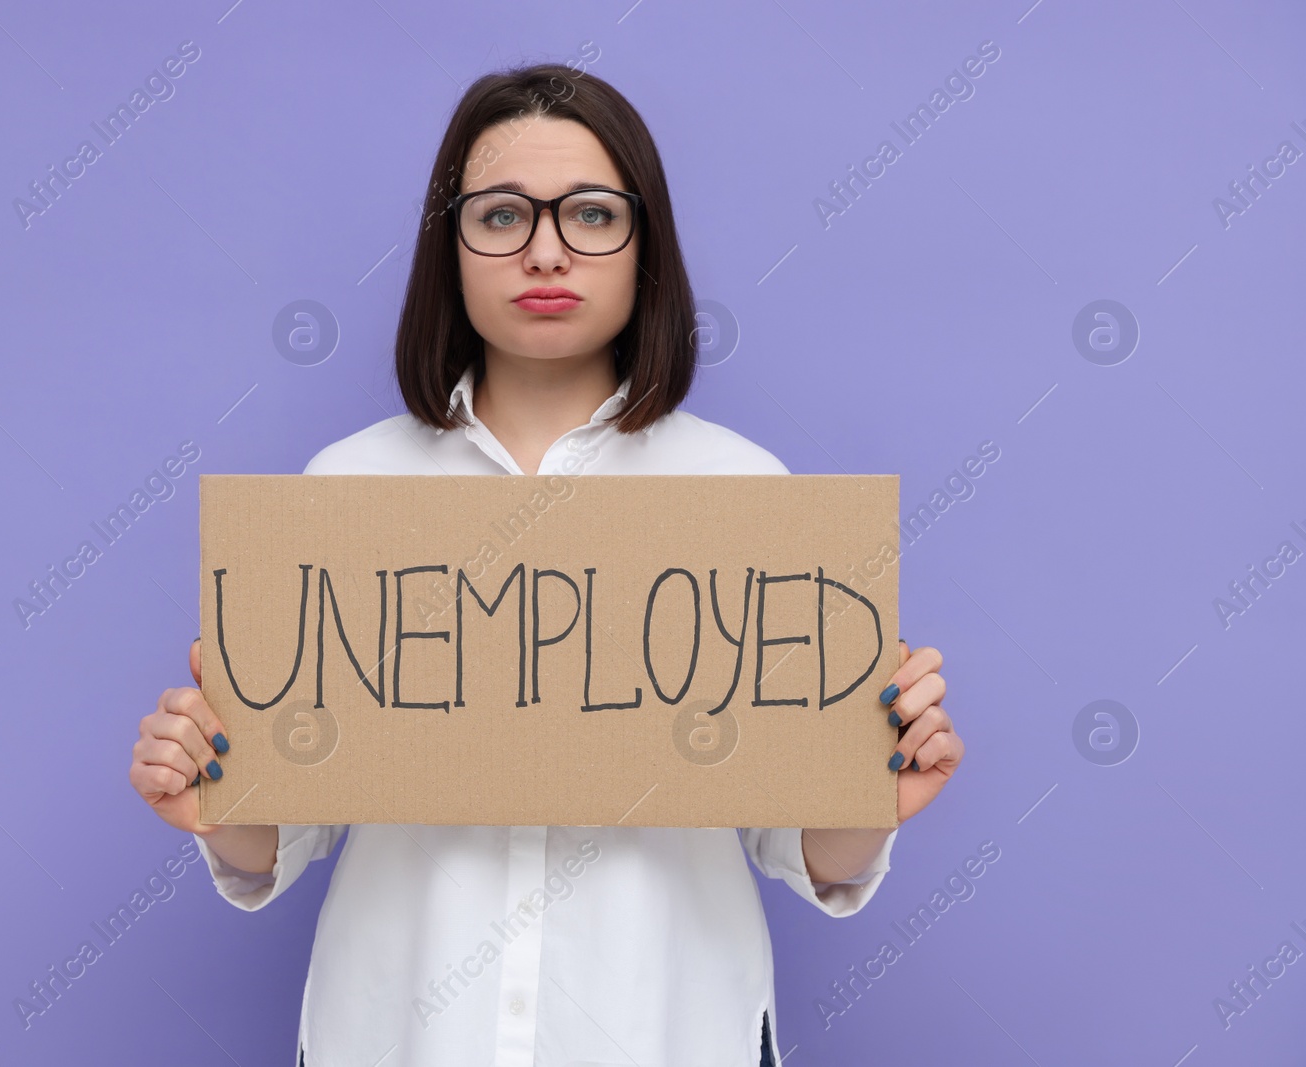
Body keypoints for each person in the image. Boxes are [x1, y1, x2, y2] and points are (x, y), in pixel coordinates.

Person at [129, 63, 964, 1067]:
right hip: (396, 1033)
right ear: (451, 244)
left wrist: (868, 792)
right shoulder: (347, 485)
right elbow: (285, 830)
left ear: (643, 239)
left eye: (591, 214)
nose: (546, 250)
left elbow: (798, 844)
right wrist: (215, 799)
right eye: (501, 216)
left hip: (668, 1030)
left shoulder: (743, 487)